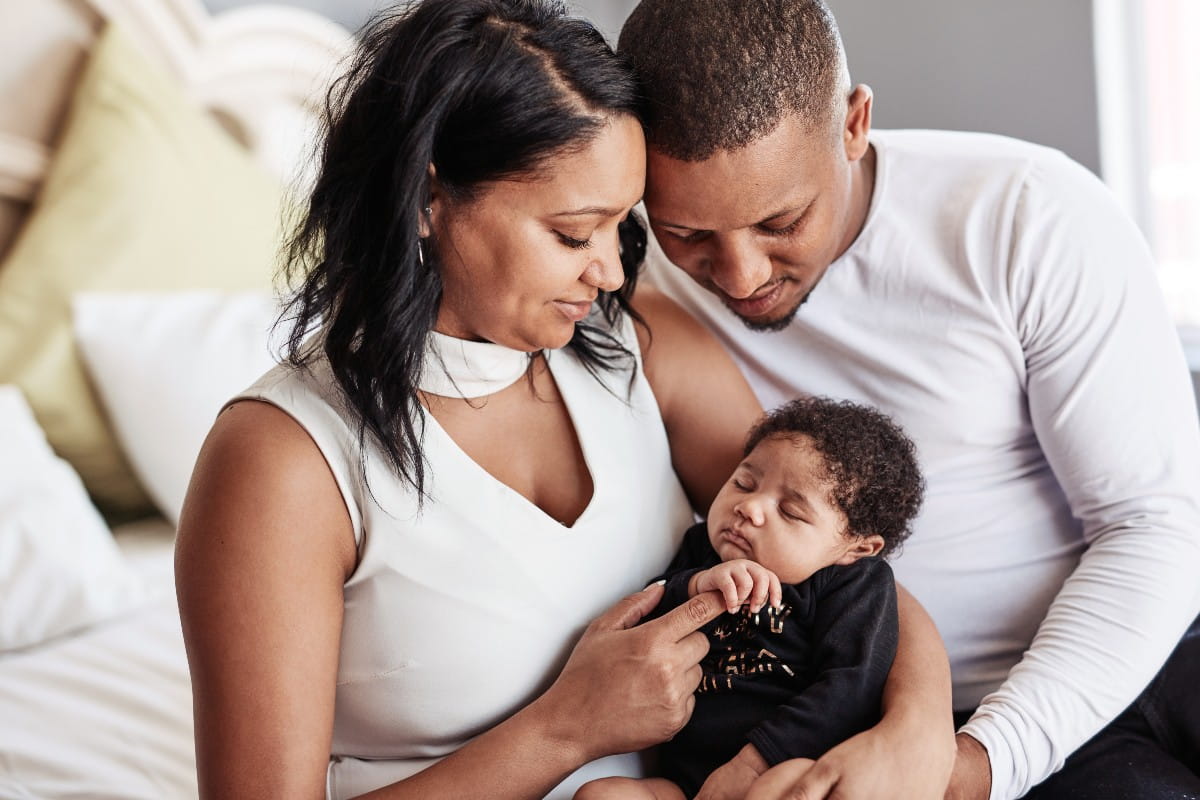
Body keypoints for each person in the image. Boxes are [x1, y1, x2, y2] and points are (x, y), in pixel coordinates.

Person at [173, 1, 953, 798]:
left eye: (623, 228)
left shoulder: (639, 346)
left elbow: (843, 547)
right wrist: (566, 728)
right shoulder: (282, 460)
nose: (613, 273)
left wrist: (917, 727)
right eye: (575, 235)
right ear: (426, 200)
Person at [618, 1, 1200, 799]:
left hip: (1116, 663)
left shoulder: (1026, 217)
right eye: (690, 235)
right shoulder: (639, 288)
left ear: (853, 124)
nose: (742, 276)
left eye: (781, 221)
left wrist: (973, 764)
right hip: (858, 714)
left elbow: (1155, 524)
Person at [576, 396, 924, 800]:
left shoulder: (851, 585)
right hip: (684, 780)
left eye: (791, 512)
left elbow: (849, 689)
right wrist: (696, 584)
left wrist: (752, 763)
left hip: (783, 764)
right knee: (601, 795)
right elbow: (644, 616)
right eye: (744, 483)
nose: (749, 507)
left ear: (855, 548)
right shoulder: (702, 552)